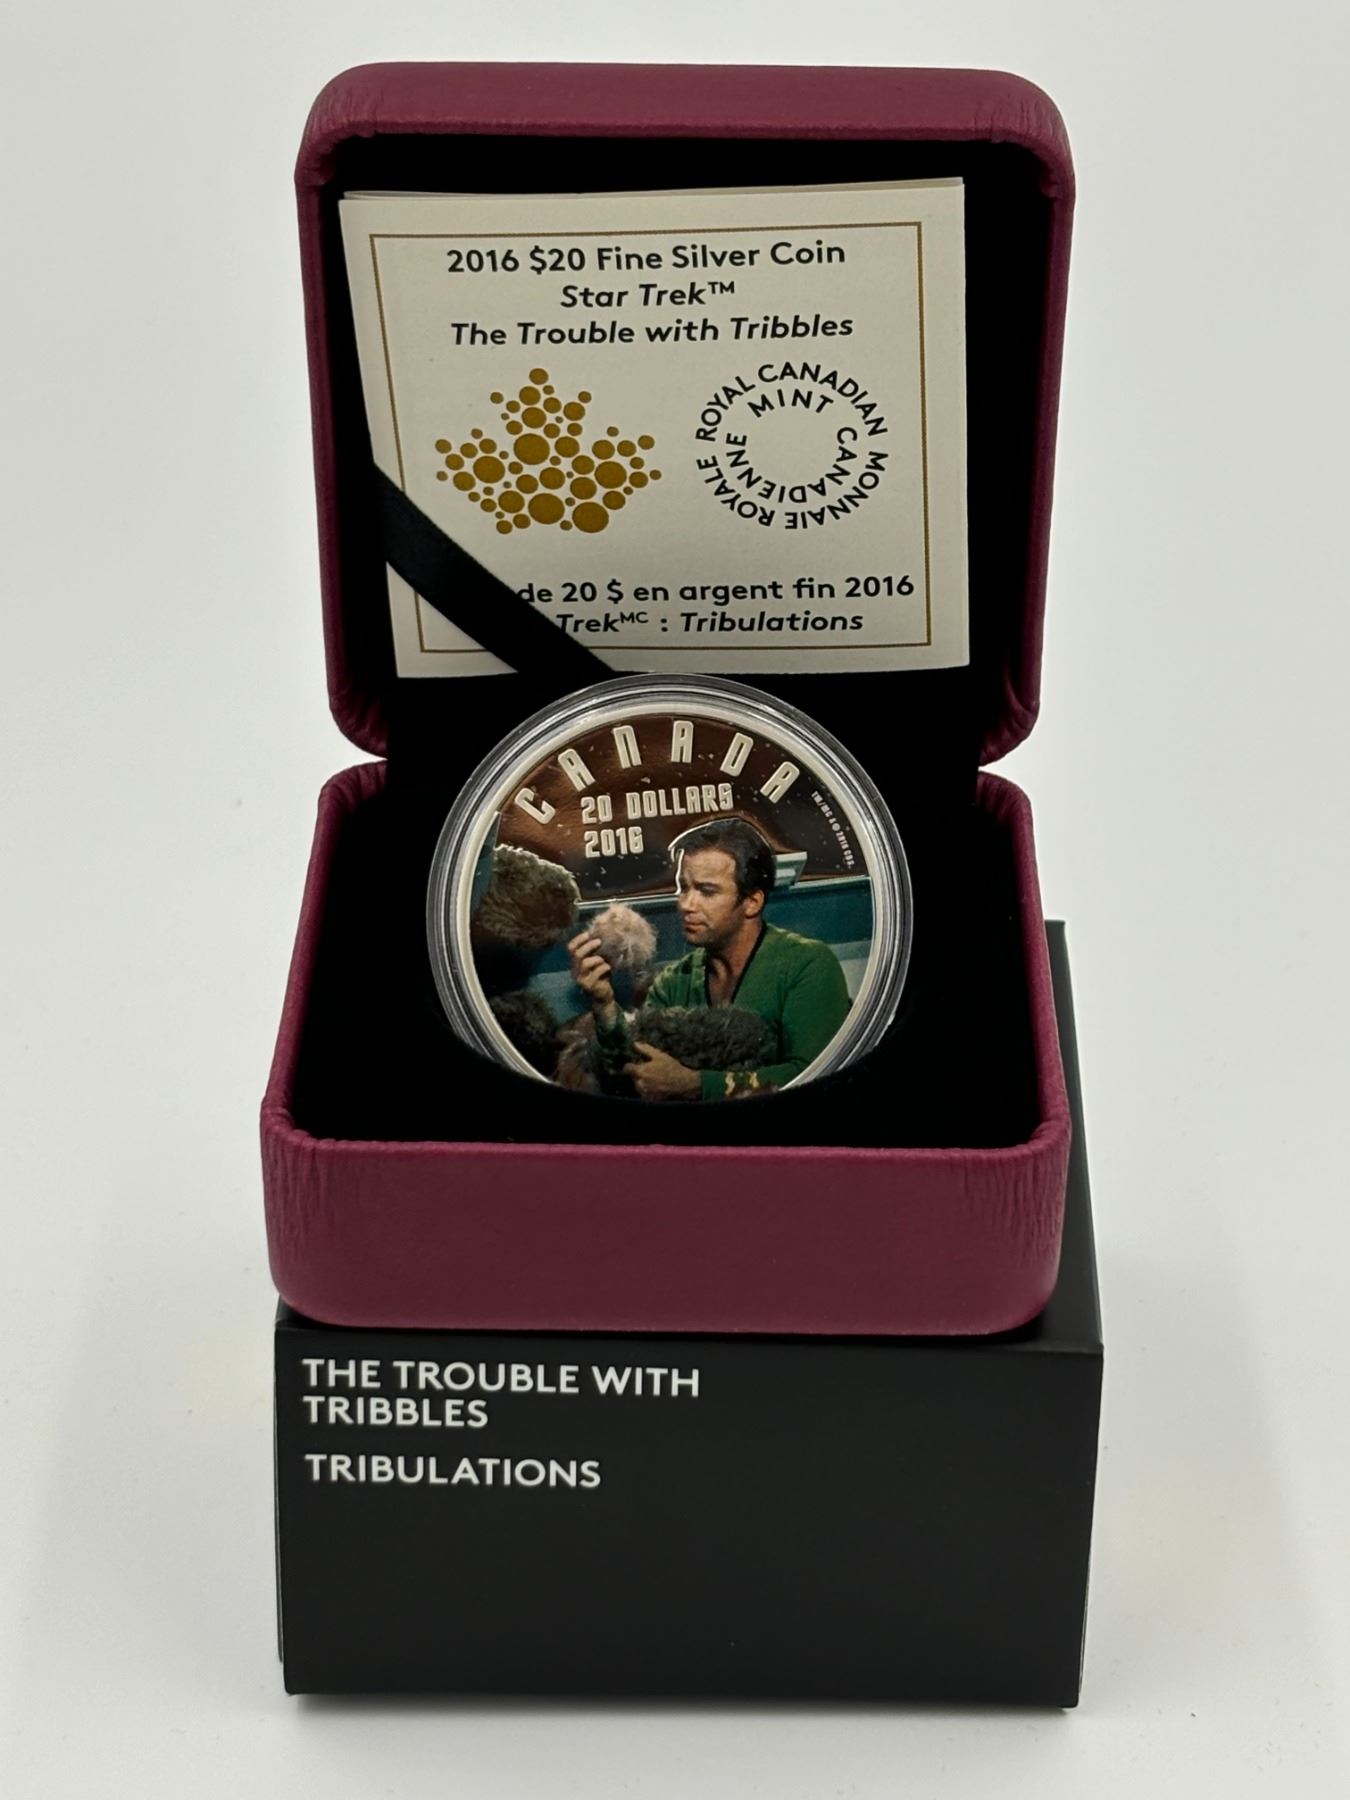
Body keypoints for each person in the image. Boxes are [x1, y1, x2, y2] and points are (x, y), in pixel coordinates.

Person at [567, 819, 851, 1100]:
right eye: (684, 888)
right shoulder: (673, 982)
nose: (686, 904)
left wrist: (697, 1084)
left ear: (752, 902)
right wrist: (604, 1004)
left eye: (707, 891)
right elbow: (634, 1071)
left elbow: (817, 1074)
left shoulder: (808, 965)